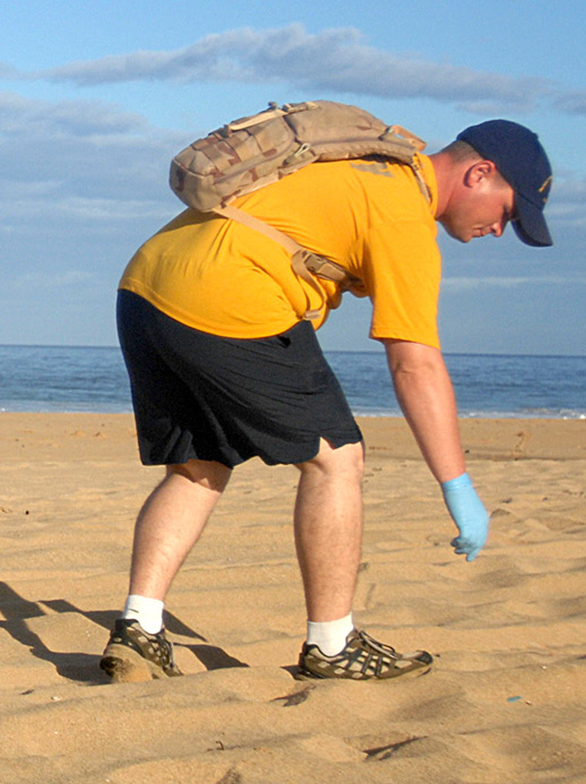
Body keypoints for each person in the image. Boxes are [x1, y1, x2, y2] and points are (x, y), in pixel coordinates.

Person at [105, 117, 555, 683]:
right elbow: (414, 363)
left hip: (146, 288)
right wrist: (457, 485)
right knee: (336, 459)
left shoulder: (362, 165)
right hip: (232, 296)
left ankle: (139, 628)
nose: (499, 230)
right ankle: (333, 644)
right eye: (508, 213)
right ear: (480, 173)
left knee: (199, 464)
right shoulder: (403, 209)